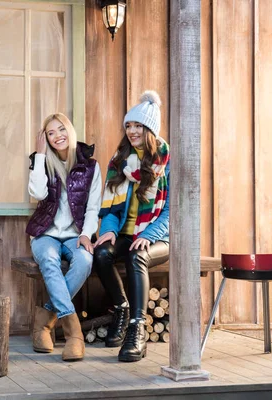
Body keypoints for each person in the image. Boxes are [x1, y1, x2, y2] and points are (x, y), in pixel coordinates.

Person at [93, 90, 170, 362]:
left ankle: (137, 330)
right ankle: (122, 308)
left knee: (138, 255)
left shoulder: (166, 161)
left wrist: (148, 234)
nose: (132, 131)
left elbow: (173, 210)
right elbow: (111, 207)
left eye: (138, 125)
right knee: (101, 253)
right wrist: (110, 230)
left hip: (158, 236)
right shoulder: (119, 161)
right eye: (129, 125)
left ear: (149, 128)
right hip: (126, 233)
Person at [26, 113, 102, 361]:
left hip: (75, 233)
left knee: (85, 261)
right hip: (44, 232)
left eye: (61, 130)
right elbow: (37, 192)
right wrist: (38, 156)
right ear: (45, 138)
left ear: (70, 130)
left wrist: (85, 234)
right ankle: (74, 334)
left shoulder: (90, 166)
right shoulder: (42, 161)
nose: (57, 136)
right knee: (48, 260)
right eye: (50, 133)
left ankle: (45, 322)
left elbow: (93, 207)